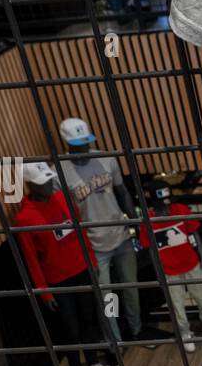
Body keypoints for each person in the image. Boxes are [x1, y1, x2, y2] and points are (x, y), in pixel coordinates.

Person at [13, 160, 120, 366]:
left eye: (50, 179)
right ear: (30, 185)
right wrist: (44, 291)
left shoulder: (63, 199)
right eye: (42, 183)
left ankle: (93, 364)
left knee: (88, 321)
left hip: (82, 270)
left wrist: (92, 262)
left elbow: (81, 233)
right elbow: (31, 260)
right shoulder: (25, 219)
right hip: (58, 280)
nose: (49, 184)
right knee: (69, 330)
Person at [57, 117, 147, 347]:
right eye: (79, 145)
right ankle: (115, 341)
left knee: (131, 289)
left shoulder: (106, 158)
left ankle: (136, 330)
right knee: (107, 298)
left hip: (121, 235)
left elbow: (122, 191)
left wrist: (136, 222)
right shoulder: (59, 172)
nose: (85, 148)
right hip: (93, 245)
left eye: (86, 143)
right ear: (67, 143)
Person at [139, 178, 202, 353]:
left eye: (168, 204)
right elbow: (151, 248)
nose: (166, 209)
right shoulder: (148, 220)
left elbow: (195, 234)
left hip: (190, 262)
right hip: (168, 269)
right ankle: (184, 333)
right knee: (176, 304)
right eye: (162, 205)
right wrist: (158, 269)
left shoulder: (181, 210)